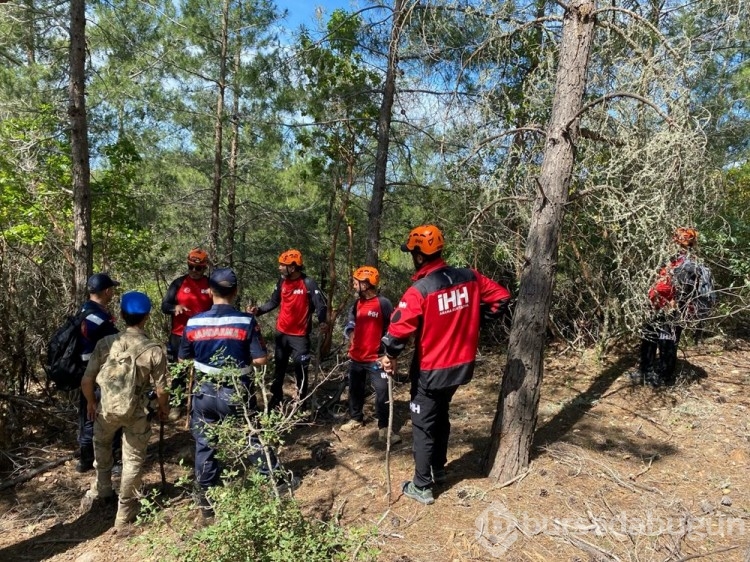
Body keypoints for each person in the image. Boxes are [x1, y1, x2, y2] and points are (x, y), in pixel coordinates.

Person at [379, 225, 511, 505]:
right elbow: (501, 298)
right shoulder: (469, 277)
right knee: (439, 414)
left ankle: (422, 486)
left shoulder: (421, 289)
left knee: (422, 423)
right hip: (461, 367)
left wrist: (389, 355)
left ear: (418, 255)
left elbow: (398, 331)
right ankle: (438, 468)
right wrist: (474, 319)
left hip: (431, 368)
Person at [180, 267, 292, 519]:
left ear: (210, 291)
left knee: (205, 443)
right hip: (236, 391)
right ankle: (277, 483)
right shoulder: (245, 321)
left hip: (203, 393)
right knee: (252, 435)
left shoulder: (194, 322)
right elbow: (261, 359)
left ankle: (207, 502)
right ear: (236, 291)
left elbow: (183, 356)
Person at [80, 291, 170, 530]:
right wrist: (164, 410)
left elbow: (87, 380)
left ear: (121, 314)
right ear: (147, 317)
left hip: (106, 409)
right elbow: (161, 390)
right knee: (133, 460)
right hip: (136, 413)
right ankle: (124, 512)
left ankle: (104, 490)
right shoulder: (154, 349)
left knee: (101, 445)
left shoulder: (106, 343)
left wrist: (91, 403)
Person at [249, 250, 327, 410]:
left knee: (301, 371)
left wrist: (322, 322)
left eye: (282, 265)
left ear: (292, 268)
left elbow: (320, 305)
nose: (279, 268)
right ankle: (275, 399)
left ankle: (302, 404)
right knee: (279, 369)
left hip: (300, 337)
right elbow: (273, 301)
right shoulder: (281, 282)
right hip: (282, 334)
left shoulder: (308, 283)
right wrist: (259, 310)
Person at [632, 227, 706, 387]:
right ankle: (645, 371)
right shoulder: (671, 260)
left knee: (667, 341)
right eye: (675, 239)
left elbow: (683, 290)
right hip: (657, 307)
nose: (673, 242)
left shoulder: (689, 264)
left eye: (678, 240)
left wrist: (672, 305)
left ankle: (664, 377)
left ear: (686, 242)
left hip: (673, 310)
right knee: (648, 337)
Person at [339, 266, 401, 444]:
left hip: (377, 358)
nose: (354, 285)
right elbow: (350, 323)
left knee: (382, 393)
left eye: (356, 282)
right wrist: (350, 332)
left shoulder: (384, 303)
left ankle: (384, 429)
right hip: (356, 358)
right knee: (355, 390)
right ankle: (356, 419)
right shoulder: (357, 304)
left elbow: (394, 327)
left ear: (366, 285)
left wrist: (390, 353)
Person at [76, 273, 121, 473]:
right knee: (104, 413)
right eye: (111, 288)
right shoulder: (99, 318)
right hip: (97, 371)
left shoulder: (84, 310)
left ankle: (86, 458)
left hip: (85, 370)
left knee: (89, 411)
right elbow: (117, 340)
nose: (113, 292)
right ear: (106, 291)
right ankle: (109, 460)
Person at [161, 248, 213, 420]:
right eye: (191, 267)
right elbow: (164, 306)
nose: (194, 271)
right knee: (178, 372)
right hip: (179, 334)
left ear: (204, 268)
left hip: (204, 336)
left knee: (203, 371)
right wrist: (174, 307)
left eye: (198, 268)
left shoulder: (211, 285)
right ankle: (176, 403)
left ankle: (200, 404)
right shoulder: (178, 283)